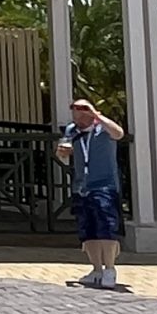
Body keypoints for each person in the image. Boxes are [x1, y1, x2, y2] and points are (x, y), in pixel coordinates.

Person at [59, 97, 128, 289]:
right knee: (88, 230)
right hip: (82, 186)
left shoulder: (102, 129)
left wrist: (96, 114)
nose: (78, 113)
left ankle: (109, 269)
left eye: (82, 109)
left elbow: (119, 134)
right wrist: (62, 153)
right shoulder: (71, 131)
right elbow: (61, 152)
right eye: (75, 109)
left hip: (105, 186)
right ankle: (96, 269)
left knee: (106, 227)